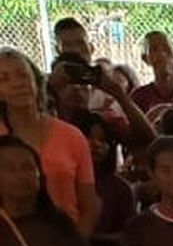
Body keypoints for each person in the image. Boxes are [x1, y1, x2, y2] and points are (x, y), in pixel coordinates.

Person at [0, 48, 100, 236]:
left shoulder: (72, 136)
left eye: (22, 75)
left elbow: (90, 206)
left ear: (36, 82)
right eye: (4, 79)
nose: (17, 84)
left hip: (66, 240)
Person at [130, 31, 173, 112]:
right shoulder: (139, 96)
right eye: (154, 49)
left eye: (166, 49)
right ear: (145, 59)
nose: (161, 54)